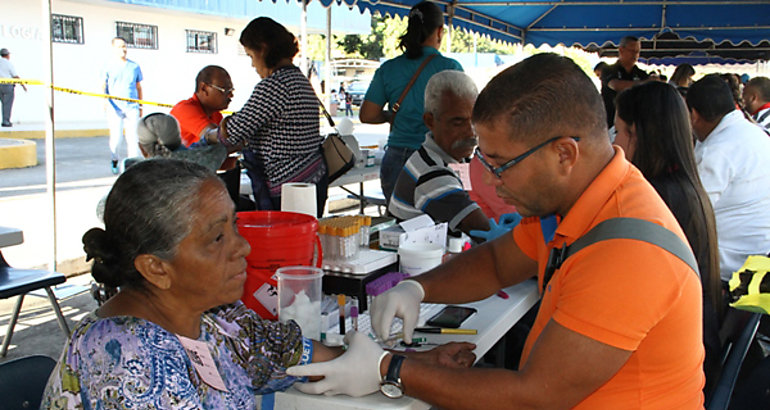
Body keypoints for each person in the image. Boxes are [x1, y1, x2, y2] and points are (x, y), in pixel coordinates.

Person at [288, 53, 705, 407]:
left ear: (564, 154)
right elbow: (494, 262)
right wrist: (417, 289)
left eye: (500, 164)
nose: (491, 181)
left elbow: (534, 396)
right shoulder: (576, 201)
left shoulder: (626, 251)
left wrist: (390, 368)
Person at [43, 158, 477, 407]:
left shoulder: (215, 321)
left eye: (233, 226)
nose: (243, 249)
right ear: (156, 268)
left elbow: (297, 352)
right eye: (217, 238)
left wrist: (406, 365)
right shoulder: (125, 361)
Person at [613, 81, 722, 392]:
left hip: (666, 374)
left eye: (618, 131)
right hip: (694, 355)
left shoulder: (653, 200)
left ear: (637, 135)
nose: (614, 143)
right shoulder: (683, 185)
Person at [216, 17, 327, 216]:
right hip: (311, 177)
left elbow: (233, 132)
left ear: (264, 49)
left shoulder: (274, 86)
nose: (252, 64)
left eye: (251, 56)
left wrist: (216, 131)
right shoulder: (298, 79)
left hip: (287, 186)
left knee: (287, 243)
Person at [360, 1, 463, 202]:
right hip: (434, 158)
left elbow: (367, 115)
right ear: (440, 31)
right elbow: (462, 118)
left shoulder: (389, 68)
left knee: (400, 228)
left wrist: (393, 115)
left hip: (396, 159)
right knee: (435, 228)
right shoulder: (450, 68)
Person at [687, 74, 770, 282]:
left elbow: (690, 214)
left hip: (726, 270)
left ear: (694, 115)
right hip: (759, 255)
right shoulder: (756, 134)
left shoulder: (716, 151)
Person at [387, 70, 490, 236]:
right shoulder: (432, 172)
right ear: (430, 121)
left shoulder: (451, 158)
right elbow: (482, 230)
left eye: (474, 121)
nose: (471, 132)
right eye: (458, 122)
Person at [103, 37, 143, 174]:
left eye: (125, 46)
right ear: (114, 49)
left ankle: (132, 166)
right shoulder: (109, 66)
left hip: (131, 107)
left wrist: (140, 105)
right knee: (116, 138)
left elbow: (139, 87)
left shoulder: (134, 67)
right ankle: (114, 159)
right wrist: (105, 102)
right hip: (114, 107)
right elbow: (104, 86)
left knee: (132, 138)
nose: (123, 49)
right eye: (120, 46)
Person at [170, 65, 233, 147]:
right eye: (225, 90)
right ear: (203, 88)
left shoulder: (216, 116)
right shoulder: (185, 109)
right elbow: (219, 137)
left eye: (231, 90)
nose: (230, 95)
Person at [600, 36, 649, 128]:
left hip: (634, 123)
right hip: (610, 123)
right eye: (632, 51)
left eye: (638, 52)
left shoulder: (641, 74)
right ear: (621, 50)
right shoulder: (608, 70)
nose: (635, 55)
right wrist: (645, 83)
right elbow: (615, 85)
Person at [0, 48, 27, 127]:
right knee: (7, 104)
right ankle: (6, 121)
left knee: (3, 103)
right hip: (7, 85)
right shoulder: (8, 64)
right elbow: (15, 76)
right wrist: (23, 85)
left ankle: (4, 120)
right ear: (7, 55)